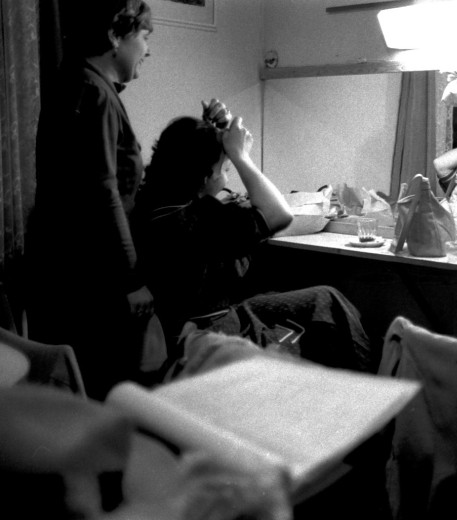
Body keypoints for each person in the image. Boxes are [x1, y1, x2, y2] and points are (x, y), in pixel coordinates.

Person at [133, 111, 375, 374]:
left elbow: (192, 159)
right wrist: (240, 155)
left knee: (323, 298)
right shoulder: (200, 219)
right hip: (216, 332)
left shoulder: (150, 205)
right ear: (205, 177)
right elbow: (279, 214)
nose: (227, 179)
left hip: (205, 320)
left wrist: (215, 132)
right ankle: (370, 387)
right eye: (226, 170)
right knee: (327, 310)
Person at [24, 0, 162, 400]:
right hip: (88, 276)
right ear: (115, 35)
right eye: (144, 36)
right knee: (102, 386)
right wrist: (131, 279)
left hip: (63, 269)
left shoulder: (79, 84)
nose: (148, 50)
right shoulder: (94, 93)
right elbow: (103, 192)